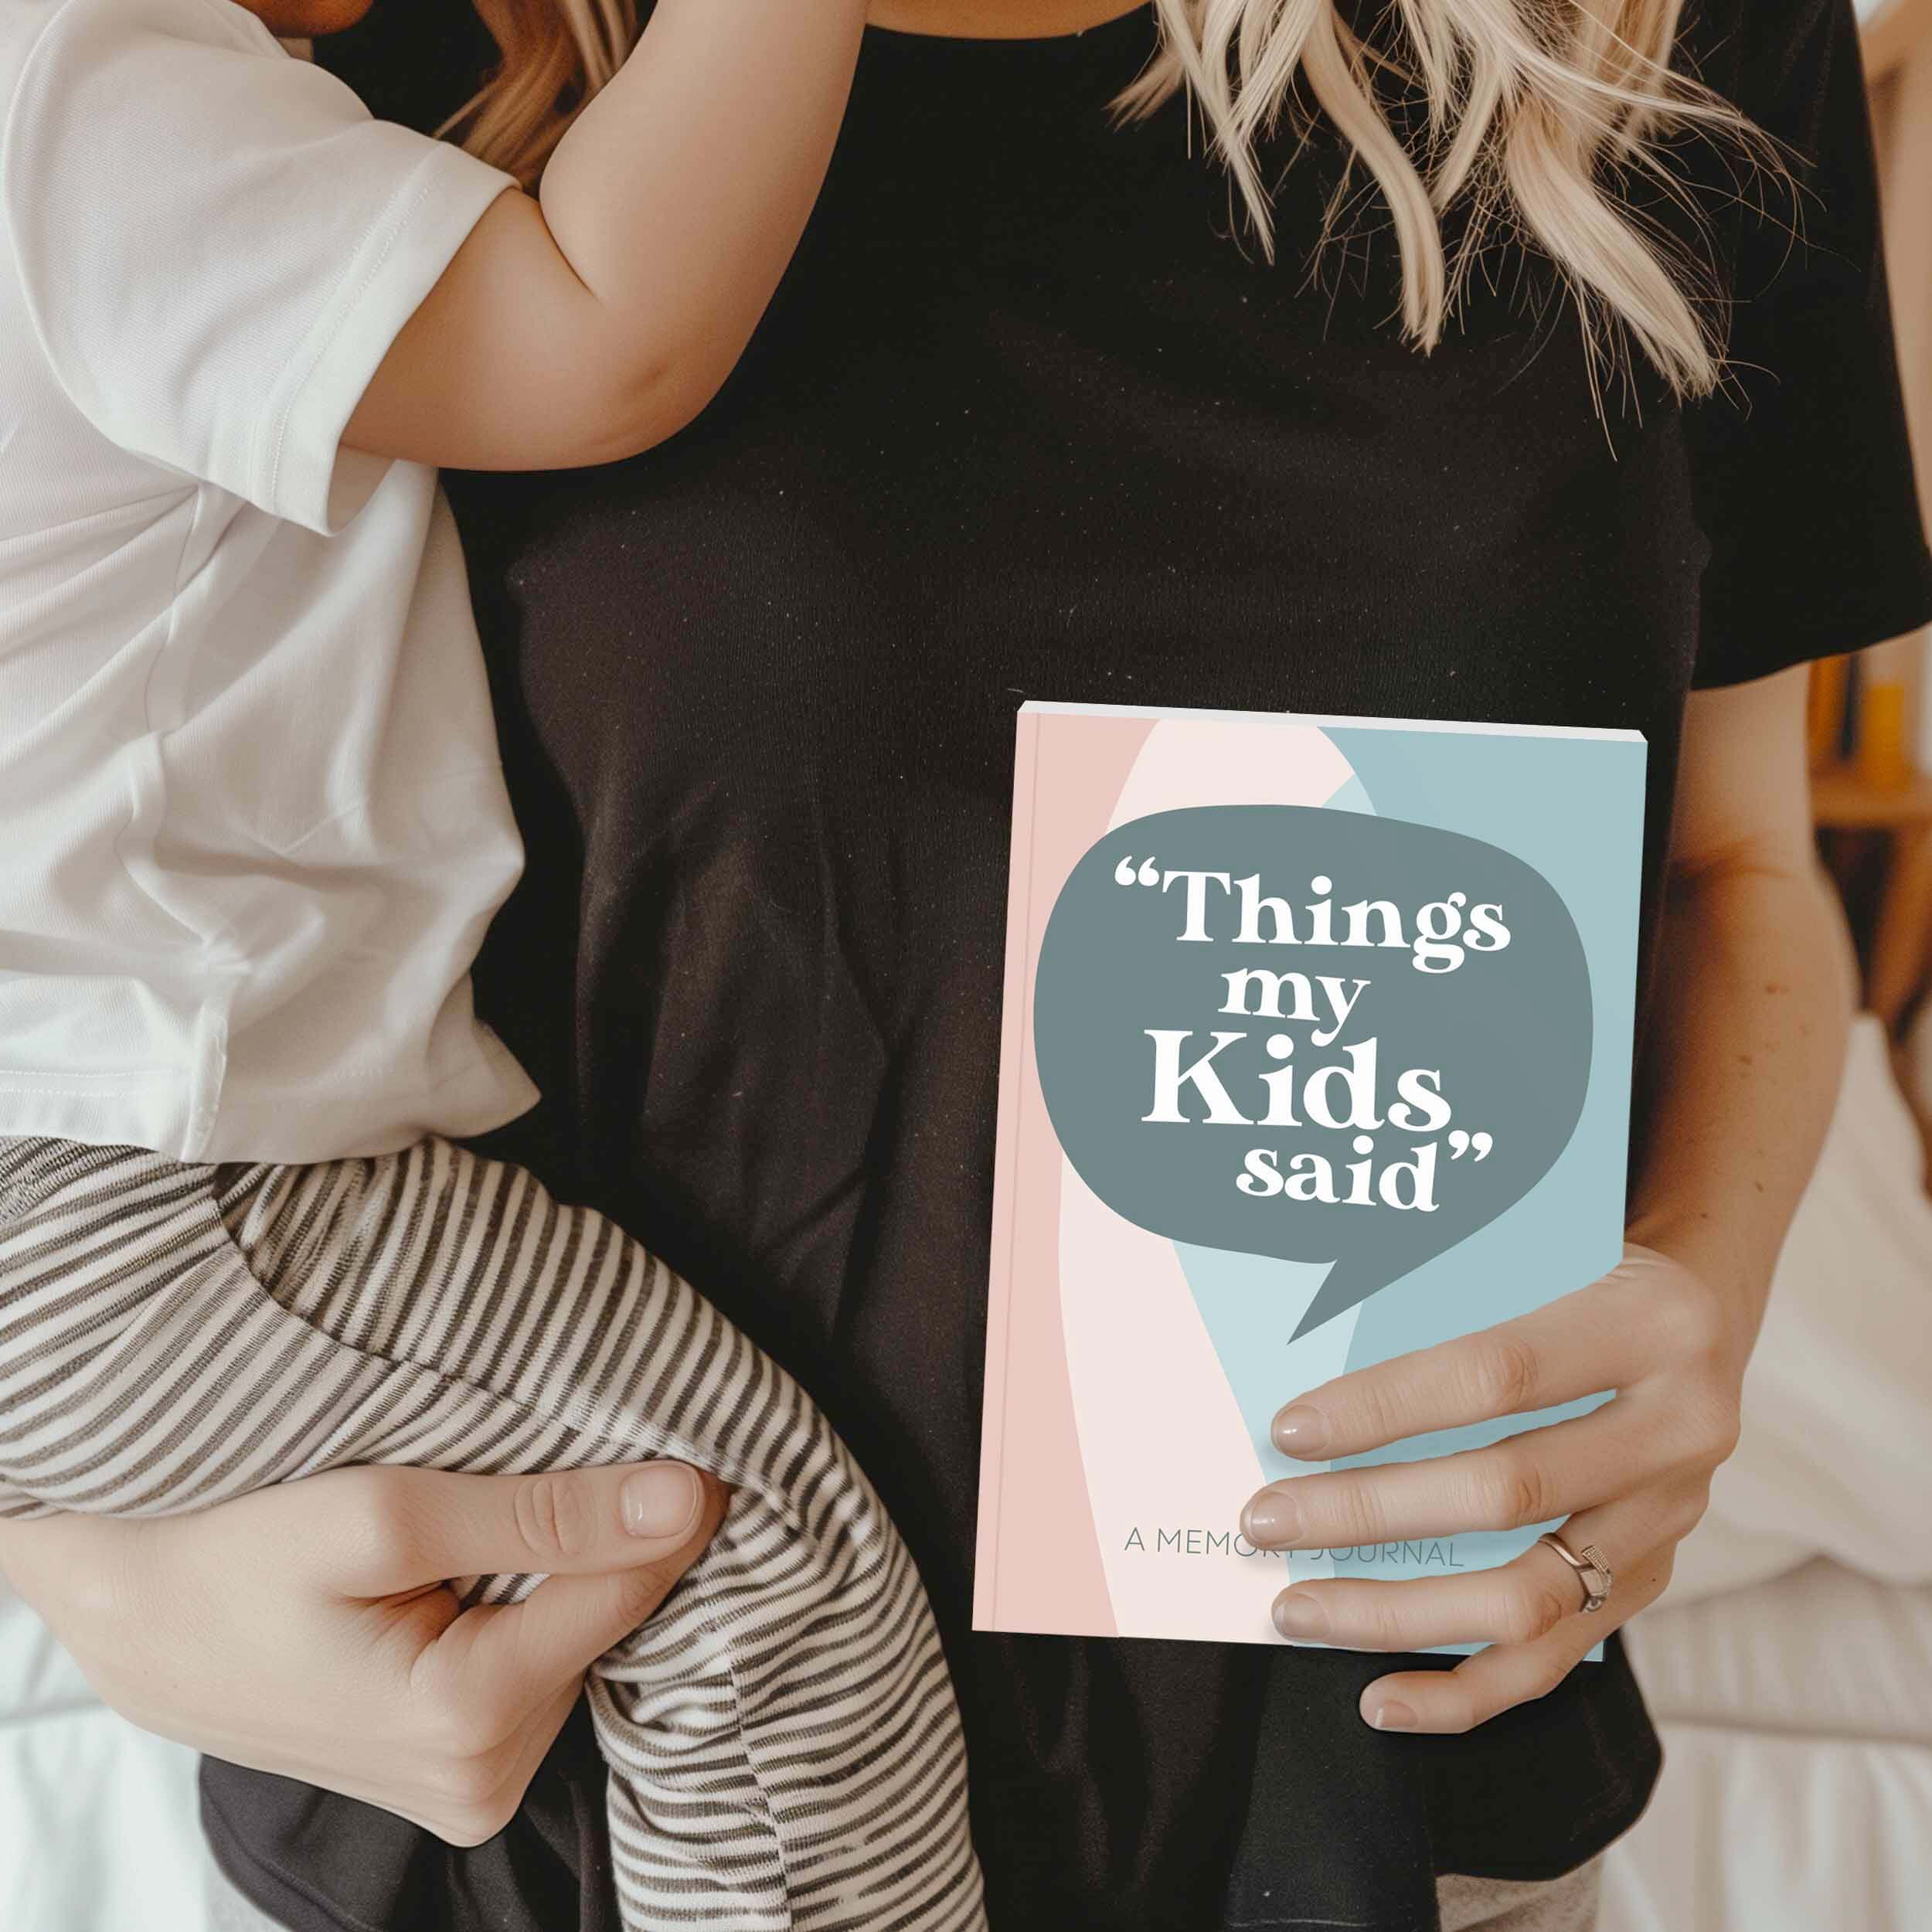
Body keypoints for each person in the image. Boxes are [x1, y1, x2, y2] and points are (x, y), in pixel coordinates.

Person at [5, 0, 1929, 1930]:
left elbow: (1736, 860)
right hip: (569, 1824)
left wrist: (1700, 1290)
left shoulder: (1664, 31)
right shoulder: (353, 28)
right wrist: (84, 1576)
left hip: (1385, 1803)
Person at [0, 0, 986, 1927]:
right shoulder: (82, 76)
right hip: (134, 1180)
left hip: (85, 1172)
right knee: (749, 1547)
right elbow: (599, 333)